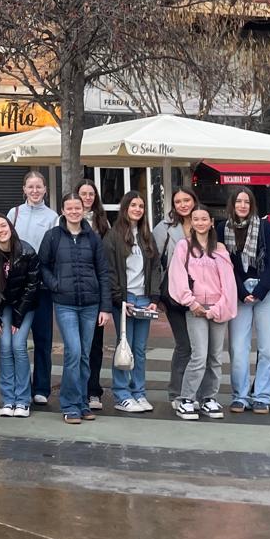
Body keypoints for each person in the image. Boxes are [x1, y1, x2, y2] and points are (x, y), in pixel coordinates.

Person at [37, 193, 112, 425]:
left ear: (84, 210)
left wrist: (105, 307)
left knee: (85, 356)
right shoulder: (53, 236)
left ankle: (82, 402)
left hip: (91, 304)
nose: (74, 212)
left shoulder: (93, 238)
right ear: (62, 210)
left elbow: (103, 272)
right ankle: (69, 404)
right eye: (69, 208)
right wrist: (55, 285)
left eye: (77, 208)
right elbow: (43, 266)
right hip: (65, 304)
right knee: (74, 352)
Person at [167, 206, 238, 421]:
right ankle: (186, 399)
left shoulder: (220, 249)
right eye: (195, 219)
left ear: (211, 222)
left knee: (215, 357)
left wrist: (217, 309)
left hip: (217, 308)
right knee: (198, 355)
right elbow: (177, 276)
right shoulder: (184, 246)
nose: (200, 222)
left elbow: (228, 283)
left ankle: (208, 397)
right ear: (191, 222)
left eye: (204, 219)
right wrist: (191, 303)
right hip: (195, 309)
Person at [221, 187, 270, 414]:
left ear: (252, 205)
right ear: (232, 204)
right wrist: (241, 291)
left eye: (247, 202)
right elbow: (224, 264)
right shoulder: (222, 229)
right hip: (237, 293)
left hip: (266, 292)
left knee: (267, 348)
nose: (242, 205)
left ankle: (262, 396)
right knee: (238, 348)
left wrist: (260, 290)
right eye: (239, 201)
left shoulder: (265, 227)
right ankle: (240, 395)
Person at [104, 191, 162, 414]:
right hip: (125, 299)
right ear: (125, 207)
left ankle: (139, 392)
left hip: (144, 299)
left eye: (141, 206)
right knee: (124, 345)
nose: (137, 209)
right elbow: (109, 270)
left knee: (139, 349)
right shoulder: (113, 236)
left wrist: (154, 298)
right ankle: (122, 394)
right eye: (133, 205)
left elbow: (155, 267)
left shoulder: (147, 235)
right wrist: (119, 299)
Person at [7, 171, 57, 408]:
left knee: (43, 338)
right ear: (24, 189)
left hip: (42, 286)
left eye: (39, 187)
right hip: (17, 286)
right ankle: (21, 386)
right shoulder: (14, 213)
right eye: (31, 187)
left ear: (45, 189)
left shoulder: (53, 217)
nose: (35, 191)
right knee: (16, 341)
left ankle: (41, 388)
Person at [0, 214, 41, 417]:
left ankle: (23, 400)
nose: (1, 230)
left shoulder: (27, 251)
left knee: (18, 346)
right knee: (5, 346)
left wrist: (18, 318)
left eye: (3, 226)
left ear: (10, 227)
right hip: (2, 305)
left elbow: (32, 287)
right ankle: (8, 399)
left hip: (24, 306)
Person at [153, 186, 198, 407]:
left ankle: (193, 392)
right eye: (178, 201)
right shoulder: (164, 227)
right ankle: (176, 392)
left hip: (200, 294)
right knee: (184, 344)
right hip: (173, 293)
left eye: (186, 200)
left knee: (199, 347)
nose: (183, 205)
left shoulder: (203, 222)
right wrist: (156, 295)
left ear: (194, 201)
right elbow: (154, 261)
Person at [74, 180, 111, 412]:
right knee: (75, 346)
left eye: (91, 194)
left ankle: (93, 389)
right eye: (83, 194)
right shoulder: (65, 221)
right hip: (73, 291)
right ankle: (76, 389)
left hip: (95, 290)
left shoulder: (103, 222)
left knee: (95, 344)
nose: (87, 198)